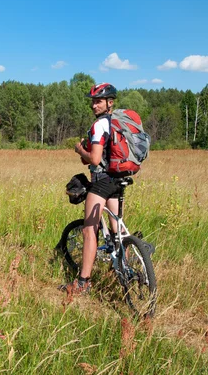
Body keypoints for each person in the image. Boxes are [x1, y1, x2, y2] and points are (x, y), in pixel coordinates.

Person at [69, 82, 121, 294]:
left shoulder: (99, 125)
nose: (93, 105)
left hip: (102, 181)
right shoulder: (117, 123)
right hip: (118, 179)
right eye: (92, 101)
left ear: (110, 103)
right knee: (116, 230)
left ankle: (83, 283)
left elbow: (94, 158)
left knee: (90, 230)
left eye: (98, 101)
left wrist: (80, 149)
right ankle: (122, 267)